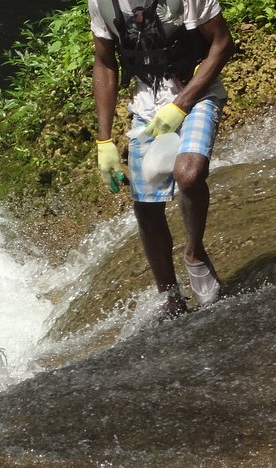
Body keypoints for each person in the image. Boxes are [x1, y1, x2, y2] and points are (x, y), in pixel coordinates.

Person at [89, 0, 235, 316]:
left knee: (189, 173)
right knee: (146, 206)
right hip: (148, 107)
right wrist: (104, 141)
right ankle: (170, 297)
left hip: (198, 93)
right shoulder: (101, 3)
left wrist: (181, 104)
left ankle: (194, 254)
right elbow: (105, 63)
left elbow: (222, 44)